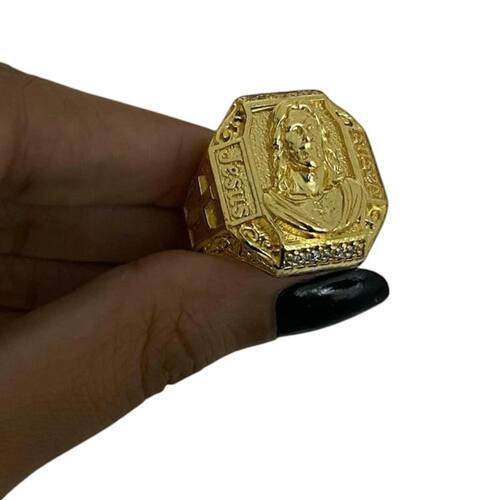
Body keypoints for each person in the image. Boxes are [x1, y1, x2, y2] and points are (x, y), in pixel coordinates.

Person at [0, 64, 388, 497]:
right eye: (294, 133)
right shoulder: (274, 202)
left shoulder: (352, 198)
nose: (305, 141)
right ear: (280, 147)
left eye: (310, 131)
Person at [263, 101, 366, 233]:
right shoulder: (277, 203)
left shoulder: (351, 193)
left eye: (311, 127)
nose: (307, 137)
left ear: (322, 135)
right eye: (296, 130)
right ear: (281, 143)